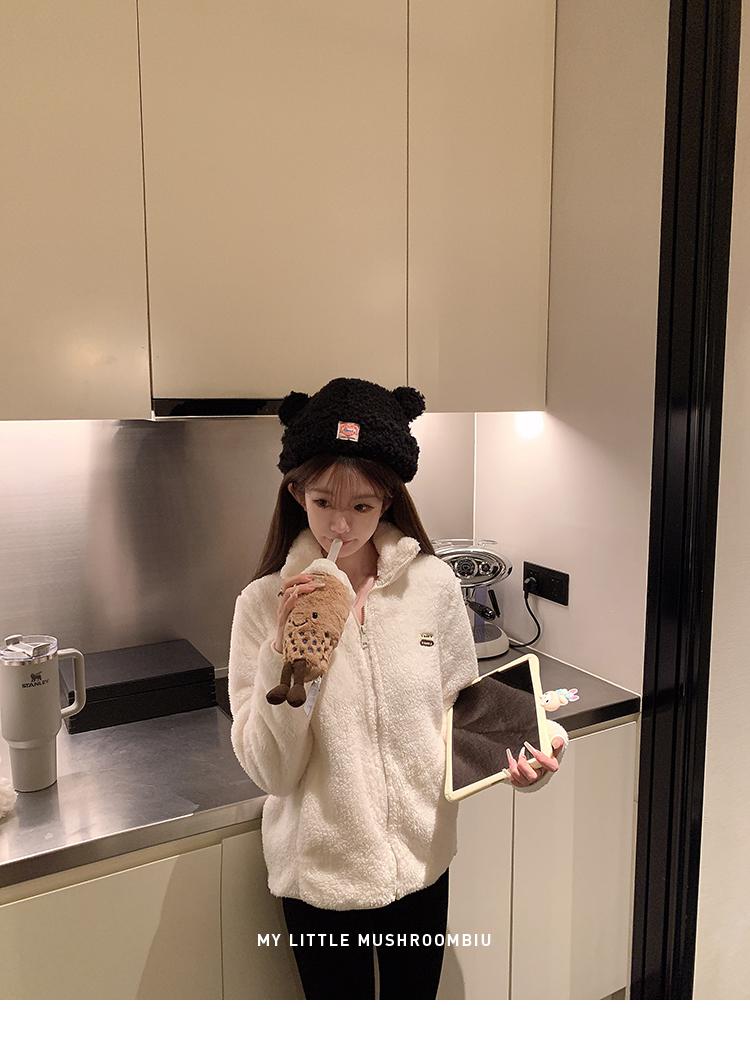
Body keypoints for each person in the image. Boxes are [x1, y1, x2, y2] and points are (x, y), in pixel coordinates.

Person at [228, 377, 568, 1000]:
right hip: (324, 882)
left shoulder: (433, 585)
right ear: (296, 491)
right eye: (324, 501)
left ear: (388, 499)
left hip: (422, 867)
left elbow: (459, 711)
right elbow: (272, 771)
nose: (341, 523)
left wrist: (523, 753)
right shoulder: (261, 604)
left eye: (362, 506)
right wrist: (289, 651)